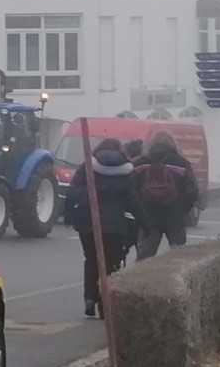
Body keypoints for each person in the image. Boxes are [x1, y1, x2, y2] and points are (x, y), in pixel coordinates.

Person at [63, 136, 142, 318]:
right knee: (111, 263)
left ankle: (90, 298)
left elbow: (73, 192)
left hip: (88, 222)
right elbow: (133, 200)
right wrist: (143, 222)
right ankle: (104, 303)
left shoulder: (87, 166)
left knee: (91, 260)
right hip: (115, 227)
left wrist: (69, 214)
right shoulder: (127, 170)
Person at [134, 131, 200, 260]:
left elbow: (132, 188)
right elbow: (192, 190)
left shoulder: (141, 162)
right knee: (178, 257)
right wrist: (182, 208)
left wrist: (140, 209)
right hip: (175, 217)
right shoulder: (181, 163)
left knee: (144, 258)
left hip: (148, 217)